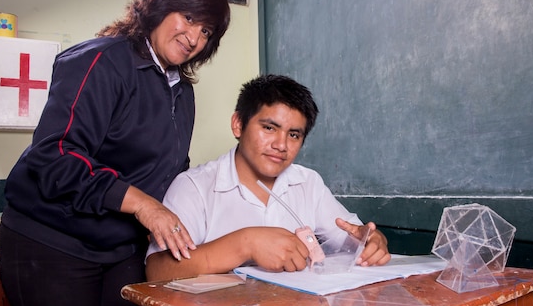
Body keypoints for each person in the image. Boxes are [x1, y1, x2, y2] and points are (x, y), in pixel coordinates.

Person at [0, 0, 230, 306]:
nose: (193, 38)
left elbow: (172, 172)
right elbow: (55, 156)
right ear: (158, 5)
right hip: (53, 241)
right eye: (188, 18)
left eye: (206, 31)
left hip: (120, 248)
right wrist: (142, 204)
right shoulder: (101, 61)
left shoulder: (182, 93)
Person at [146, 74, 391, 281]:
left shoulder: (308, 183)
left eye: (294, 135)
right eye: (269, 128)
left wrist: (370, 243)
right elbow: (156, 271)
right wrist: (246, 243)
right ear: (238, 125)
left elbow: (352, 239)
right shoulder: (194, 187)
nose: (281, 145)